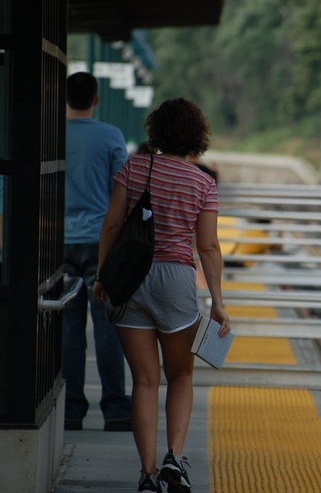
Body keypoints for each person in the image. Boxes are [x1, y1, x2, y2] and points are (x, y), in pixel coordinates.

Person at [93, 97, 231, 493]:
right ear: (196, 136)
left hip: (132, 278)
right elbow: (207, 247)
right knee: (181, 375)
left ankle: (148, 473)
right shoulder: (203, 182)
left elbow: (113, 226)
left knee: (145, 381)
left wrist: (104, 276)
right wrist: (218, 302)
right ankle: (175, 457)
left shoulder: (135, 167)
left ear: (156, 130)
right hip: (175, 282)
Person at [63, 71, 132, 432]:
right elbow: (123, 191)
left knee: (68, 327)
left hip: (57, 243)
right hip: (101, 242)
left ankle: (71, 410)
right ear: (96, 99)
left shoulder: (50, 134)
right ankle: (116, 410)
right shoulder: (110, 136)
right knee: (107, 326)